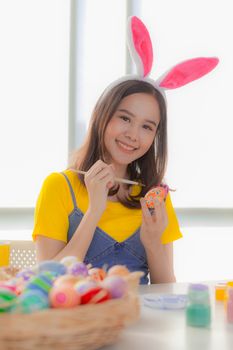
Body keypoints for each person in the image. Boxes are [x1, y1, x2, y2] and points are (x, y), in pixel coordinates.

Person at [32, 16, 218, 284]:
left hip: (141, 323)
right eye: (125, 118)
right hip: (79, 323)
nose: (133, 135)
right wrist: (94, 210)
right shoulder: (59, 187)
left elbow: (166, 291)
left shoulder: (156, 197)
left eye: (147, 126)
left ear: (155, 136)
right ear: (103, 116)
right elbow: (47, 283)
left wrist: (153, 242)